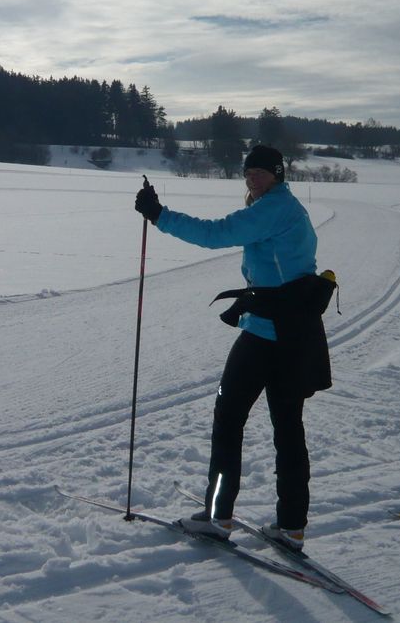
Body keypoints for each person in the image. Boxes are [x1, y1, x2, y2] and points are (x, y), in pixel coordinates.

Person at [134, 145, 330, 551]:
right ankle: (291, 526)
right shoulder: (286, 208)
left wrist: (160, 216)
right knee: (288, 429)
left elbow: (216, 233)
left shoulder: (273, 209)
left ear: (277, 174)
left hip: (265, 335)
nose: (252, 180)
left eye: (260, 173)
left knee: (228, 421)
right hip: (296, 335)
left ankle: (218, 517)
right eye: (248, 174)